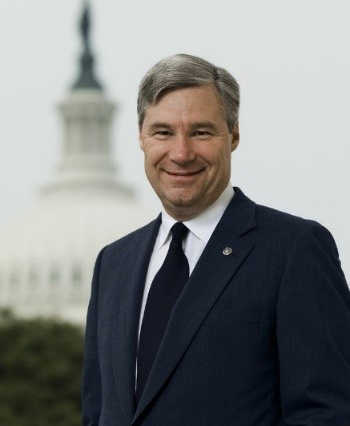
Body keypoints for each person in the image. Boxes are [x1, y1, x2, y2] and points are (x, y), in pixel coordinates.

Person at [82, 54, 350, 426]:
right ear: (141, 137)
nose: (180, 153)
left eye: (201, 132)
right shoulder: (112, 264)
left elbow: (327, 413)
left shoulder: (295, 250)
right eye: (163, 132)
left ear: (234, 135)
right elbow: (97, 414)